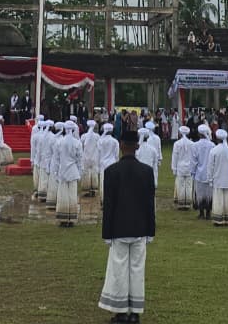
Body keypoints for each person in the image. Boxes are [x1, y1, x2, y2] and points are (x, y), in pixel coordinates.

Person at [98, 125, 156, 324]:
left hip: (119, 229)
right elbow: (150, 204)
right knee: (137, 270)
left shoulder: (111, 171)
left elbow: (109, 205)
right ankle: (135, 313)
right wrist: (151, 231)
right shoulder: (147, 172)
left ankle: (121, 311)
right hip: (140, 228)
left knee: (119, 270)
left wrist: (106, 234)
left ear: (121, 146)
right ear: (137, 146)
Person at [56, 120, 84, 227]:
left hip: (62, 171)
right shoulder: (77, 143)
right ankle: (71, 218)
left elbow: (57, 159)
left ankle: (63, 218)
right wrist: (80, 172)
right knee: (72, 195)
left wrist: (55, 172)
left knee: (63, 195)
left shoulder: (59, 142)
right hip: (73, 171)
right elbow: (80, 159)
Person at [209, 128, 228, 227]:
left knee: (218, 199)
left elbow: (210, 167)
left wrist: (210, 179)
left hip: (217, 179)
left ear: (217, 138)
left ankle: (218, 219)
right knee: (227, 199)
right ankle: (227, 218)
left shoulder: (214, 151)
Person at [192, 124, 214, 220]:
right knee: (209, 194)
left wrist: (192, 172)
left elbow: (194, 161)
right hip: (209, 174)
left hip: (199, 174)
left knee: (200, 193)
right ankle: (208, 213)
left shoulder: (195, 145)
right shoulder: (212, 145)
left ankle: (201, 213)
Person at [171, 125, 194, 209]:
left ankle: (181, 203)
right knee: (188, 185)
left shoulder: (177, 144)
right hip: (189, 167)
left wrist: (174, 168)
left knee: (180, 185)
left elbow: (175, 157)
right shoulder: (192, 144)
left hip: (180, 167)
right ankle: (187, 203)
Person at [97, 122, 119, 205]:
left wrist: (98, 165)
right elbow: (116, 155)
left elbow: (98, 154)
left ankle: (103, 200)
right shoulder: (115, 141)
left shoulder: (100, 141)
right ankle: (112, 199)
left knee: (103, 183)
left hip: (103, 164)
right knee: (112, 183)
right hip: (112, 163)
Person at [81, 120, 101, 197]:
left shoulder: (83, 136)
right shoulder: (97, 136)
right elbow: (99, 147)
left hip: (86, 157)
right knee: (94, 173)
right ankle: (93, 190)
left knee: (86, 173)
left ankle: (87, 189)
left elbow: (81, 145)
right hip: (94, 157)